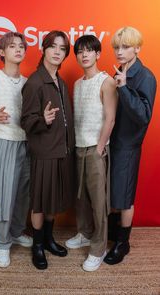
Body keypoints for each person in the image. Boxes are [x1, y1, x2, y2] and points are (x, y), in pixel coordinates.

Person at [21, 30, 75, 270]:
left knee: (54, 201)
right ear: (43, 49)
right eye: (53, 46)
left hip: (62, 151)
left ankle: (49, 239)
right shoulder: (34, 82)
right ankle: (38, 246)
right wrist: (42, 119)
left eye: (62, 48)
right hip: (44, 152)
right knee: (41, 203)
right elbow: (26, 122)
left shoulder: (60, 82)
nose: (57, 52)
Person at [104, 27, 157, 265]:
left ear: (137, 48)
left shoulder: (146, 76)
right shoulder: (119, 71)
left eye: (125, 47)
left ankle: (123, 244)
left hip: (128, 145)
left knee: (124, 195)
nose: (119, 51)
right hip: (112, 141)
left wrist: (124, 87)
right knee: (113, 192)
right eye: (116, 47)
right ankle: (114, 235)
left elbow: (144, 116)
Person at [65, 35, 118, 271]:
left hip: (96, 148)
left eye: (89, 50)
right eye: (80, 51)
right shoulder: (77, 83)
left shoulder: (106, 82)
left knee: (98, 202)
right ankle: (85, 233)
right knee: (81, 197)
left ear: (98, 54)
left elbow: (111, 117)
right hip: (78, 147)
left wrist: (99, 147)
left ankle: (98, 248)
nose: (84, 55)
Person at [0, 31, 32, 268]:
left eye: (21, 46)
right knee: (4, 193)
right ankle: (2, 243)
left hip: (26, 143)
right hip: (3, 142)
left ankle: (17, 232)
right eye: (12, 46)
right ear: (2, 52)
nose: (18, 50)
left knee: (23, 192)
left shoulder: (28, 82)